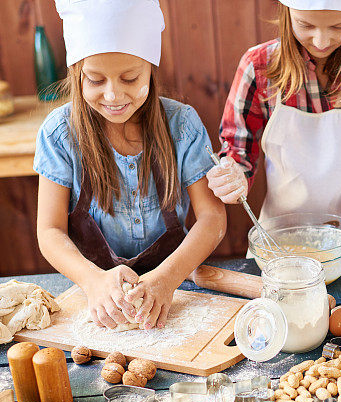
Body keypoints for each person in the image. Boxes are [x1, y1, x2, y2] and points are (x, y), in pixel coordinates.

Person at [35, 0, 225, 330]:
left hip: (174, 292)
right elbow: (49, 232)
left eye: (129, 77)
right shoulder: (59, 133)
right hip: (92, 298)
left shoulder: (183, 125)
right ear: (77, 73)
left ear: (151, 68)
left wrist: (166, 279)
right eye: (95, 80)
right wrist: (94, 282)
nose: (113, 95)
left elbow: (213, 217)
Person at [207, 0, 341, 267]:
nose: (322, 40)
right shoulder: (258, 67)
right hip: (279, 246)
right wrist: (232, 178)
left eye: (338, 26)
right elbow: (237, 154)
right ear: (287, 13)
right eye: (305, 25)